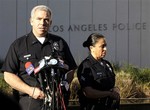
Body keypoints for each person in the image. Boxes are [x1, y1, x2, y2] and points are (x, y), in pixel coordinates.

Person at [1, 5, 77, 110]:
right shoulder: (18, 45)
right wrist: (30, 90)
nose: (42, 23)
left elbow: (71, 69)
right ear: (31, 21)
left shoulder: (59, 42)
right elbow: (8, 75)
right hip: (30, 102)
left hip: (57, 102)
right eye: (39, 19)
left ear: (50, 23)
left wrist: (61, 87)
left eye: (46, 20)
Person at [77, 33, 120, 110]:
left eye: (105, 46)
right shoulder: (86, 66)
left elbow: (109, 85)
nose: (105, 49)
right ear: (91, 48)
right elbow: (88, 92)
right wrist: (109, 94)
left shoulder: (107, 64)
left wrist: (115, 89)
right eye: (102, 46)